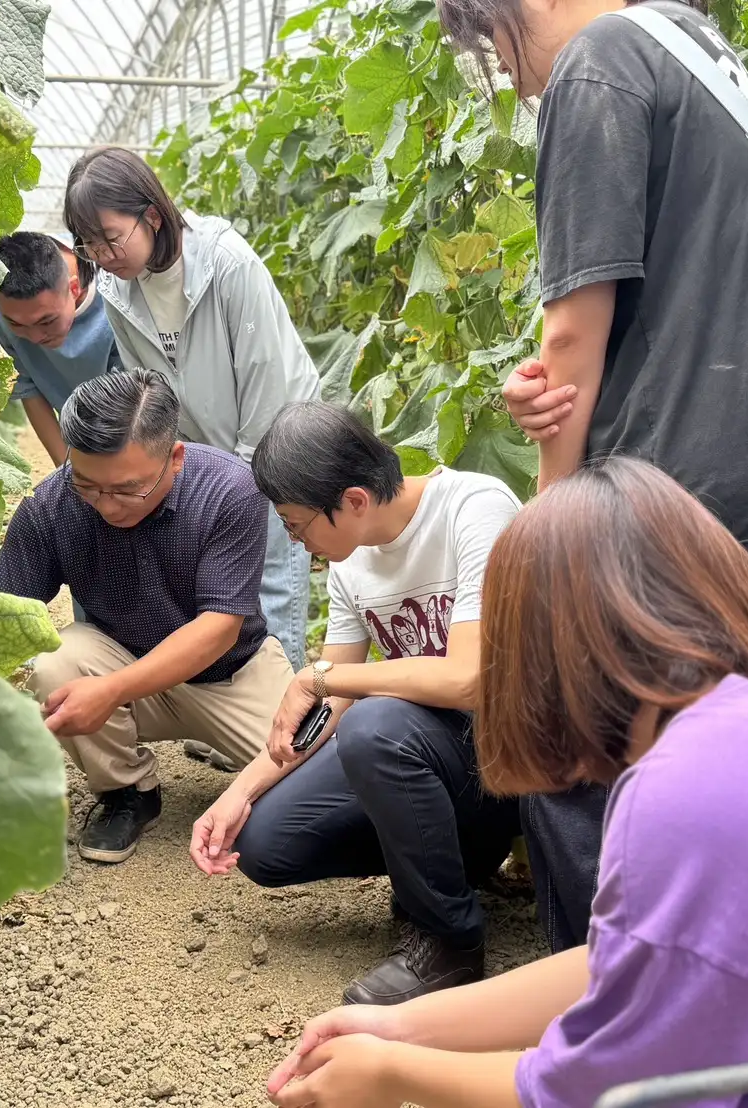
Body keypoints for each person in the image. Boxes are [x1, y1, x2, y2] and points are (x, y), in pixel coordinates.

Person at [265, 458, 748, 1108]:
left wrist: (393, 1075)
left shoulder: (689, 791)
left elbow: (612, 1096)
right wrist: (407, 1028)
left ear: (552, 643)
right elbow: (628, 957)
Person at [437, 0, 748, 956]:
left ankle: (624, 1037)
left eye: (496, 48)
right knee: (728, 779)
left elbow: (572, 328)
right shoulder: (699, 46)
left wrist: (552, 522)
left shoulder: (596, 65)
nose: (512, 82)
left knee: (575, 763)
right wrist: (555, 382)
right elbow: (688, 289)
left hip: (687, 502)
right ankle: (734, 1018)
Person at [189, 401, 522, 1006]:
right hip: (428, 763)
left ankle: (448, 941)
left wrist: (320, 679)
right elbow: (331, 706)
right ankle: (445, 871)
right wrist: (237, 793)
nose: (296, 541)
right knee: (264, 842)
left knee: (376, 725)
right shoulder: (352, 565)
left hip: (510, 765)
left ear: (354, 501)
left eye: (296, 524)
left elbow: (471, 680)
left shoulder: (475, 510)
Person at [0, 368, 292, 863]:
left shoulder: (230, 491)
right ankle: (127, 792)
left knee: (308, 775)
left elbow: (219, 630)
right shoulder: (52, 505)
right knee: (56, 661)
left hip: (231, 674)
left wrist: (109, 691)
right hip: (121, 663)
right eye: (88, 486)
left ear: (174, 457)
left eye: (127, 490)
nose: (106, 505)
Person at [63, 146, 318, 673]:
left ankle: (286, 716)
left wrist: (248, 478)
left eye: (110, 238)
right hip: (204, 444)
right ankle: (226, 702)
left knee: (272, 575)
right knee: (215, 584)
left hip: (278, 438)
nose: (103, 256)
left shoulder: (227, 264)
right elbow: (149, 392)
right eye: (89, 245)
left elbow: (265, 376)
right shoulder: (115, 287)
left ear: (151, 215)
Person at [0, 230, 120, 467]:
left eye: (46, 321)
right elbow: (28, 389)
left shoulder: (116, 290)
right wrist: (69, 473)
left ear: (74, 288)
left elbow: (133, 401)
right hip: (74, 424)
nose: (35, 337)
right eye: (16, 324)